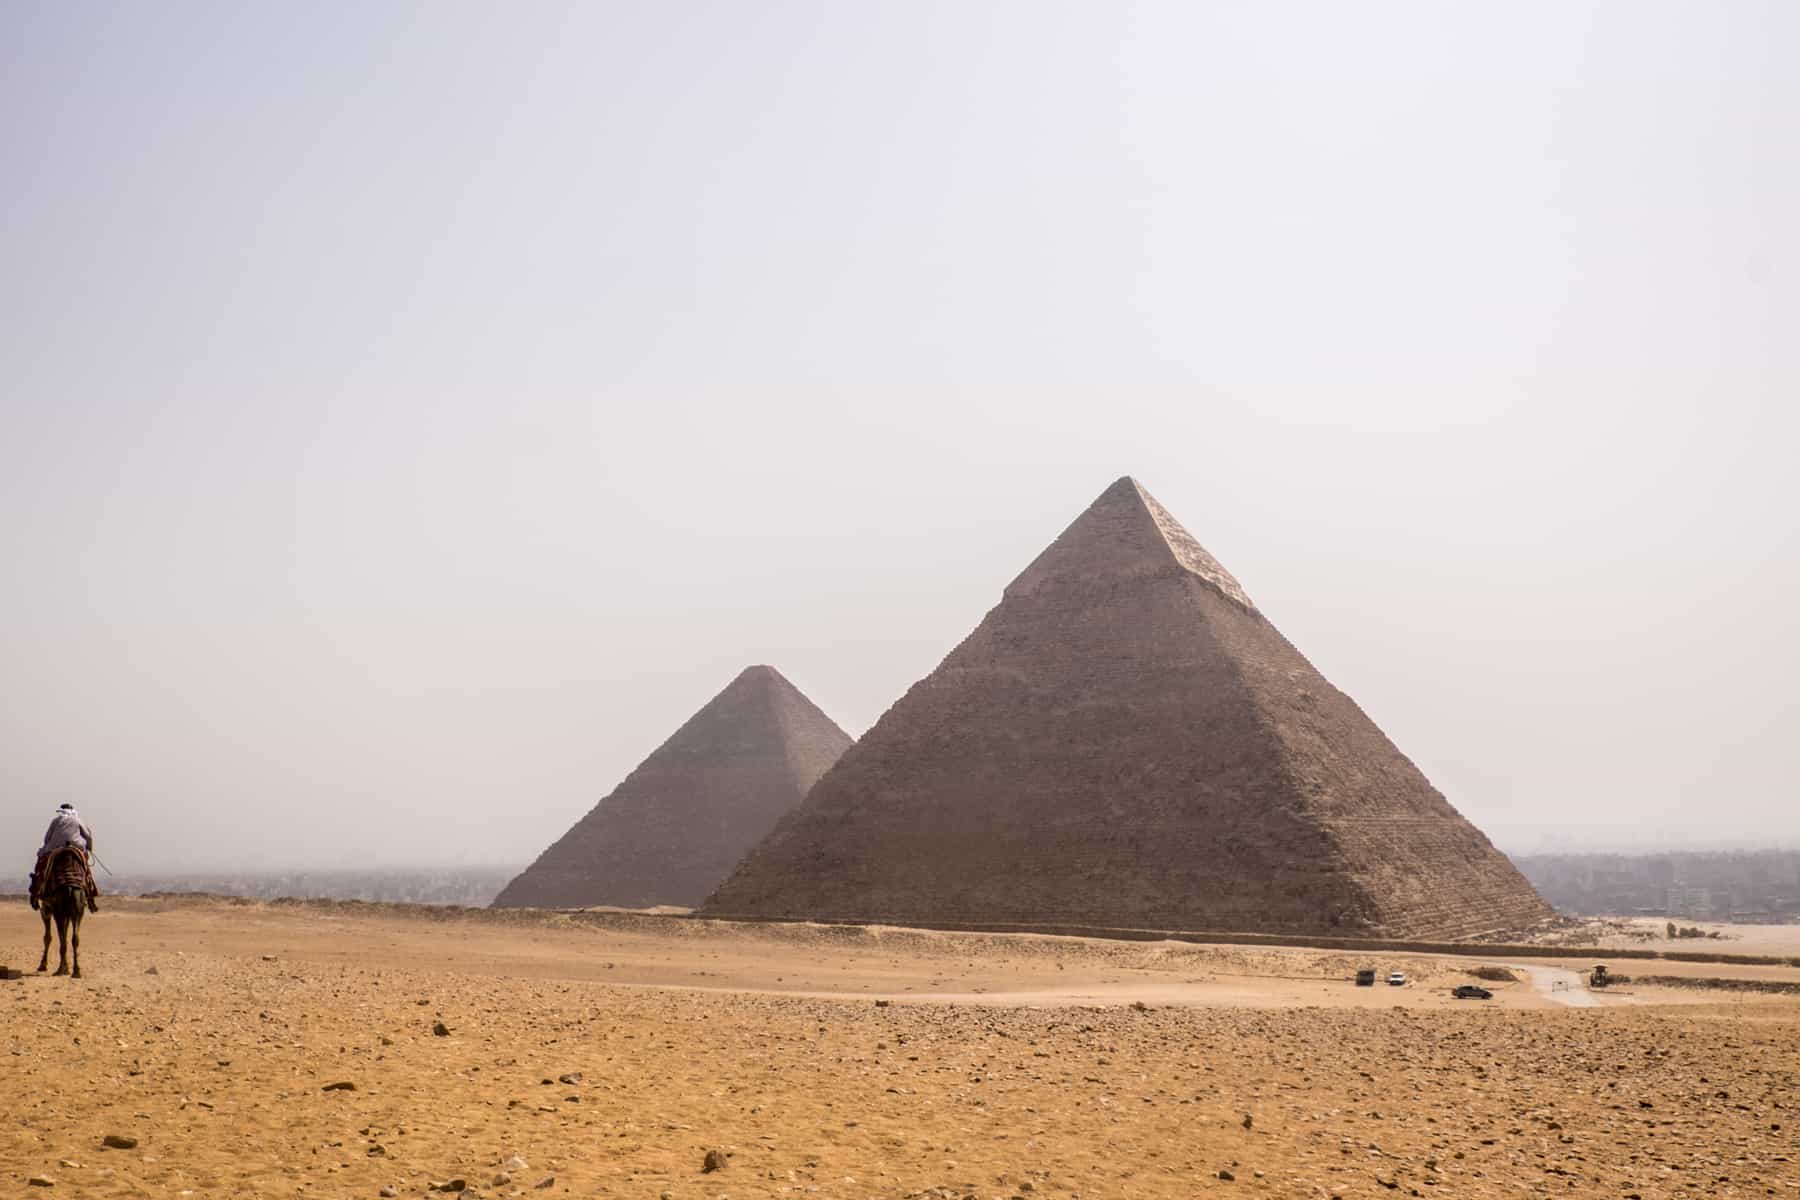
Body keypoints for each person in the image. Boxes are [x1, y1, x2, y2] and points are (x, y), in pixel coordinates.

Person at [30, 803, 98, 913]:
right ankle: (90, 898)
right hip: (76, 846)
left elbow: (47, 838)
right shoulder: (77, 820)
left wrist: (49, 845)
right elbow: (88, 836)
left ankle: (36, 893)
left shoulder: (55, 821)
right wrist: (89, 848)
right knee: (85, 867)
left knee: (41, 865)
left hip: (55, 847)